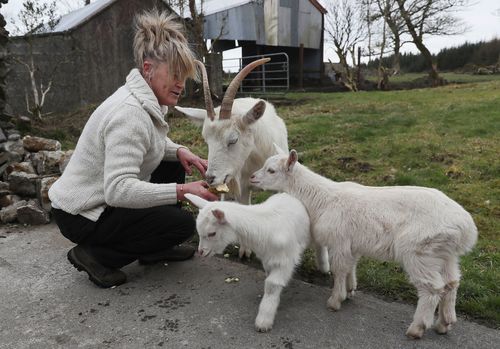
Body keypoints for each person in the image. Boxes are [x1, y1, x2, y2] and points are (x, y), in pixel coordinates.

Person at [48, 9, 218, 288]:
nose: (181, 84)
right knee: (183, 225)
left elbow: (149, 143)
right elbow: (118, 189)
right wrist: (182, 191)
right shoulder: (129, 113)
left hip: (96, 202)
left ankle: (155, 248)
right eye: (175, 74)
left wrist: (180, 151)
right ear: (148, 68)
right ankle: (95, 255)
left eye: (184, 76)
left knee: (174, 163)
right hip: (82, 214)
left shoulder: (143, 99)